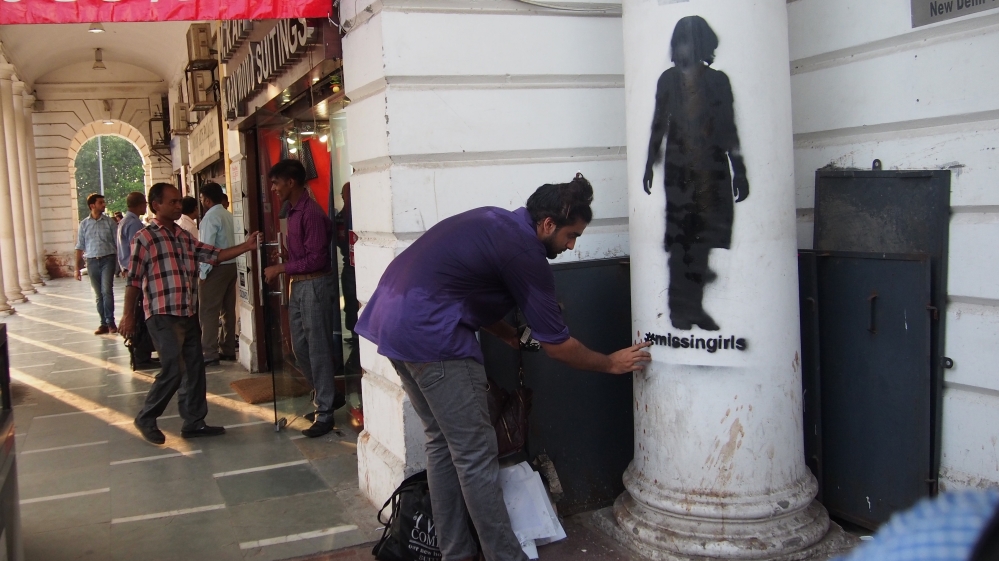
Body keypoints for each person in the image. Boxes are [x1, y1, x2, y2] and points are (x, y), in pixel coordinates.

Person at [354, 173, 653, 561]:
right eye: (570, 235)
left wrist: (510, 334)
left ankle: (456, 553)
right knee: (476, 454)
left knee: (444, 444)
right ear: (548, 225)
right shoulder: (526, 253)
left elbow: (464, 292)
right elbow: (558, 346)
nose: (572, 245)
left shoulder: (495, 221)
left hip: (392, 323)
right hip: (434, 337)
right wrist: (611, 362)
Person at [119, 182, 261, 445]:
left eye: (178, 202)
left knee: (195, 369)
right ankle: (147, 417)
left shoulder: (184, 237)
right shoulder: (145, 238)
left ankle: (194, 422)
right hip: (162, 315)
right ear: (155, 205)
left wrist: (246, 247)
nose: (177, 206)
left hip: (187, 312)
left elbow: (214, 255)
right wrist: (128, 315)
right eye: (172, 202)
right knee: (174, 368)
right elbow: (134, 281)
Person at [643, 15, 748, 332]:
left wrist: (739, 170)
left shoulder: (718, 81)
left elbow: (729, 129)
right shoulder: (668, 80)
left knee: (702, 242)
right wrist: (649, 162)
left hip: (711, 171)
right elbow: (658, 124)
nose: (684, 47)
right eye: (680, 40)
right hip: (679, 173)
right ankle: (679, 311)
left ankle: (695, 309)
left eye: (690, 40)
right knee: (680, 241)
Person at [263, 160, 344, 438]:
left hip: (314, 285)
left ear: (291, 182)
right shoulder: (294, 212)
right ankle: (326, 396)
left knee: (317, 347)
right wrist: (287, 259)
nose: (273, 188)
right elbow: (306, 255)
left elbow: (318, 258)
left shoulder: (309, 212)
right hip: (299, 285)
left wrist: (281, 268)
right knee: (300, 347)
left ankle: (325, 411)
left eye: (276, 183)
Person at [198, 182, 237, 366]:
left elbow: (207, 249)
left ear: (206, 199)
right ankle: (228, 348)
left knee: (208, 311)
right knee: (228, 310)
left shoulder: (210, 218)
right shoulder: (229, 216)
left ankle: (209, 352)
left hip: (216, 267)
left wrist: (203, 274)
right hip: (232, 266)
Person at [117, 191, 156, 369]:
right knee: (140, 315)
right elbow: (138, 251)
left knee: (139, 312)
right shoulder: (133, 224)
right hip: (138, 274)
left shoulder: (125, 221)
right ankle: (141, 355)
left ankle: (141, 354)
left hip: (130, 269)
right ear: (142, 205)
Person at [75, 192, 118, 335]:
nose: (104, 205)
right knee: (99, 294)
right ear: (92, 205)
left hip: (108, 259)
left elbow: (117, 243)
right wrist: (77, 268)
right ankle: (103, 323)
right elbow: (80, 246)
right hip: (92, 261)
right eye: (101, 202)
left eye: (104, 202)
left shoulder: (109, 222)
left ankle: (111, 322)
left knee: (107, 290)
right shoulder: (84, 224)